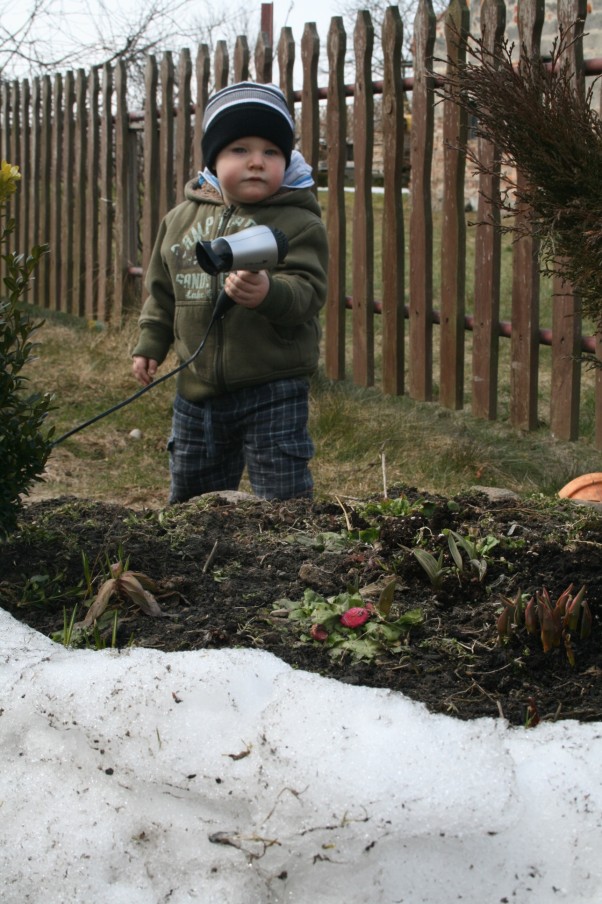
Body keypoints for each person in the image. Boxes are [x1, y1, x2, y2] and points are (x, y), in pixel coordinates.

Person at [132, 81, 328, 503]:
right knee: (192, 501)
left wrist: (269, 292)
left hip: (273, 389)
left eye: (271, 152)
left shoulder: (298, 222)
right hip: (196, 391)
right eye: (240, 150)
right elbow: (162, 291)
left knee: (283, 502)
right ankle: (194, 565)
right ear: (213, 158)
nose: (257, 162)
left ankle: (290, 564)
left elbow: (308, 292)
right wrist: (151, 342)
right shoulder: (181, 220)